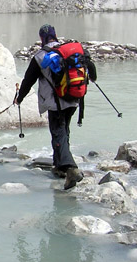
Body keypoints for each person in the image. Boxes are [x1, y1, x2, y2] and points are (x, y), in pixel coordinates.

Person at [15, 24, 97, 190]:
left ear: (41, 38)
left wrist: (19, 98)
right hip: (75, 99)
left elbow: (28, 80)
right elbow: (93, 72)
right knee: (64, 130)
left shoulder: (40, 57)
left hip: (55, 103)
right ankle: (59, 167)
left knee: (58, 131)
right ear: (55, 35)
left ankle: (70, 168)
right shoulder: (72, 50)